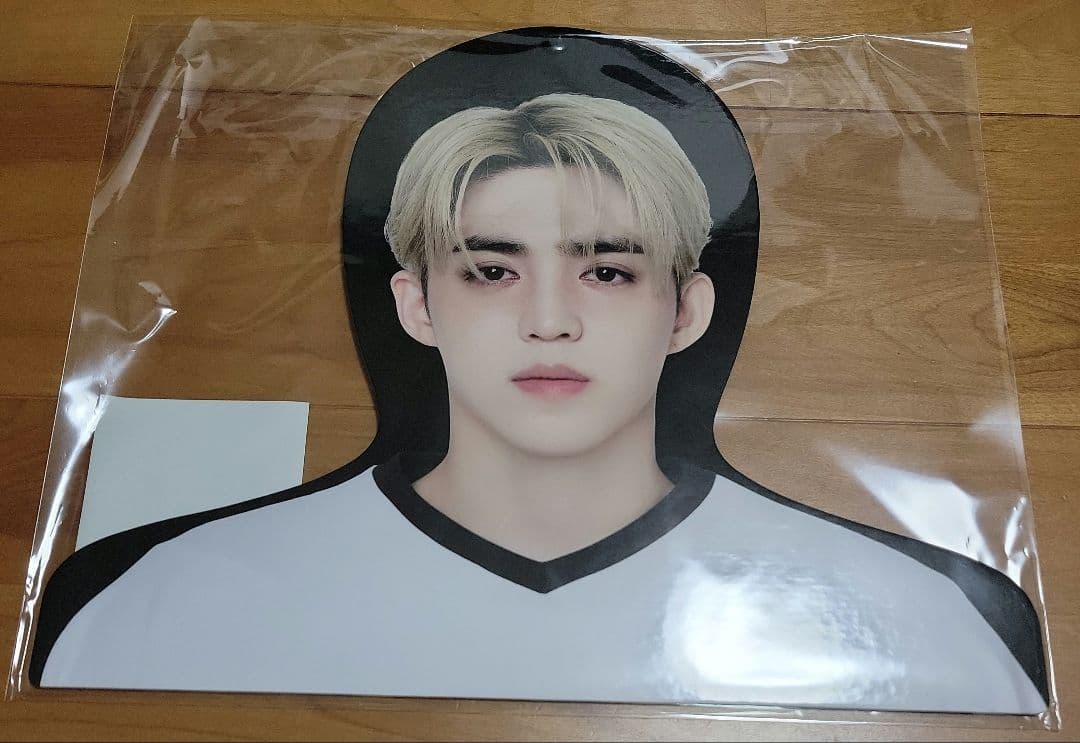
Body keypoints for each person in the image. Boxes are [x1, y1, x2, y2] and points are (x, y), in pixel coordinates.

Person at [31, 28, 1048, 714]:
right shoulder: (165, 598)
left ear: (686, 309)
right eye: (491, 269)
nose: (550, 320)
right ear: (416, 304)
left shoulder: (922, 620)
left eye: (607, 269)